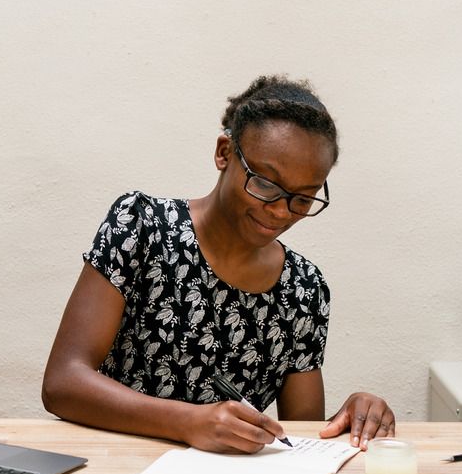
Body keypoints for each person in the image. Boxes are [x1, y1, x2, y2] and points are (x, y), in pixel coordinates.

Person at [42, 74, 395, 454]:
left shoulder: (303, 288)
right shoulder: (141, 226)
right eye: (265, 183)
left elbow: (298, 436)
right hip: (120, 468)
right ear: (224, 153)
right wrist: (187, 422)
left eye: (303, 199)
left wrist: (353, 413)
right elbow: (63, 383)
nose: (279, 210)